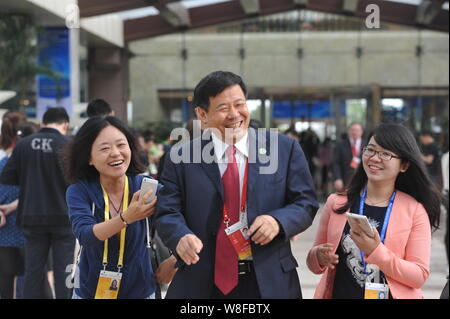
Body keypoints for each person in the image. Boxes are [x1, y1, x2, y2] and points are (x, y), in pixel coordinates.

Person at [155, 71, 318, 299]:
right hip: (202, 280)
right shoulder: (180, 157)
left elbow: (306, 203)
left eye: (240, 104)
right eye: (223, 108)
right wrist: (180, 236)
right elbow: (167, 211)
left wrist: (278, 221)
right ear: (202, 114)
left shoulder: (284, 149)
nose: (234, 115)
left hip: (269, 281)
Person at [307, 123, 441, 299]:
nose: (375, 158)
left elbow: (418, 276)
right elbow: (314, 264)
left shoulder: (415, 210)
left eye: (385, 153)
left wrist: (376, 251)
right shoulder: (337, 203)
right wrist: (318, 256)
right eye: (370, 150)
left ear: (404, 165)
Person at [64, 116, 158, 299]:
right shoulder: (79, 191)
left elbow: (176, 216)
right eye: (105, 148)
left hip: (140, 291)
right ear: (89, 158)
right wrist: (126, 218)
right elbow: (85, 235)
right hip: (91, 292)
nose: (116, 153)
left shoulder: (145, 187)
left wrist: (174, 260)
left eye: (121, 145)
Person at [0, 107, 75, 299]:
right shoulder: (69, 144)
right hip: (63, 217)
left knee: (33, 271)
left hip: (31, 217)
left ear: (42, 123)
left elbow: (7, 177)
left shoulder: (23, 144)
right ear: (65, 125)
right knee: (64, 271)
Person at [0, 112, 27, 299]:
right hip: (27, 226)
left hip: (3, 228)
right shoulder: (29, 160)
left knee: (4, 281)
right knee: (29, 279)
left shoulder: (3, 161)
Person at [332, 122, 366, 192]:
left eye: (357, 130)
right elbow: (336, 163)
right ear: (349, 131)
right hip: (345, 180)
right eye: (352, 130)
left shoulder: (367, 144)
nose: (355, 132)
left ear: (361, 132)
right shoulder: (340, 145)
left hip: (362, 179)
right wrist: (338, 178)